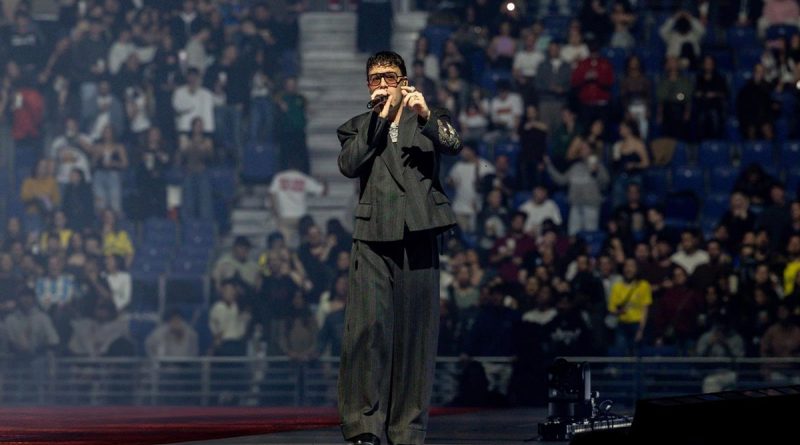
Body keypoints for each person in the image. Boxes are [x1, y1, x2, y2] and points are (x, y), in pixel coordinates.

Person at [336, 51, 462, 445]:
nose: (382, 83)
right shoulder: (357, 126)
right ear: (367, 86)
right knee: (366, 332)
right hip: (374, 236)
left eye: (389, 76)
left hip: (419, 232)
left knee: (416, 337)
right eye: (375, 78)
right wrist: (381, 117)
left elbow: (454, 143)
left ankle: (407, 428)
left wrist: (424, 115)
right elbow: (349, 165)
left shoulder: (428, 117)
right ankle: (363, 425)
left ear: (404, 81)